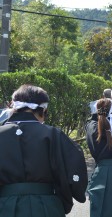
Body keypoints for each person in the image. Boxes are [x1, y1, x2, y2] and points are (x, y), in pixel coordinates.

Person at [0, 84, 88, 216]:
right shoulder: (53, 134)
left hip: (5, 207)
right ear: (43, 110)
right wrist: (63, 200)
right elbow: (72, 165)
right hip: (45, 207)